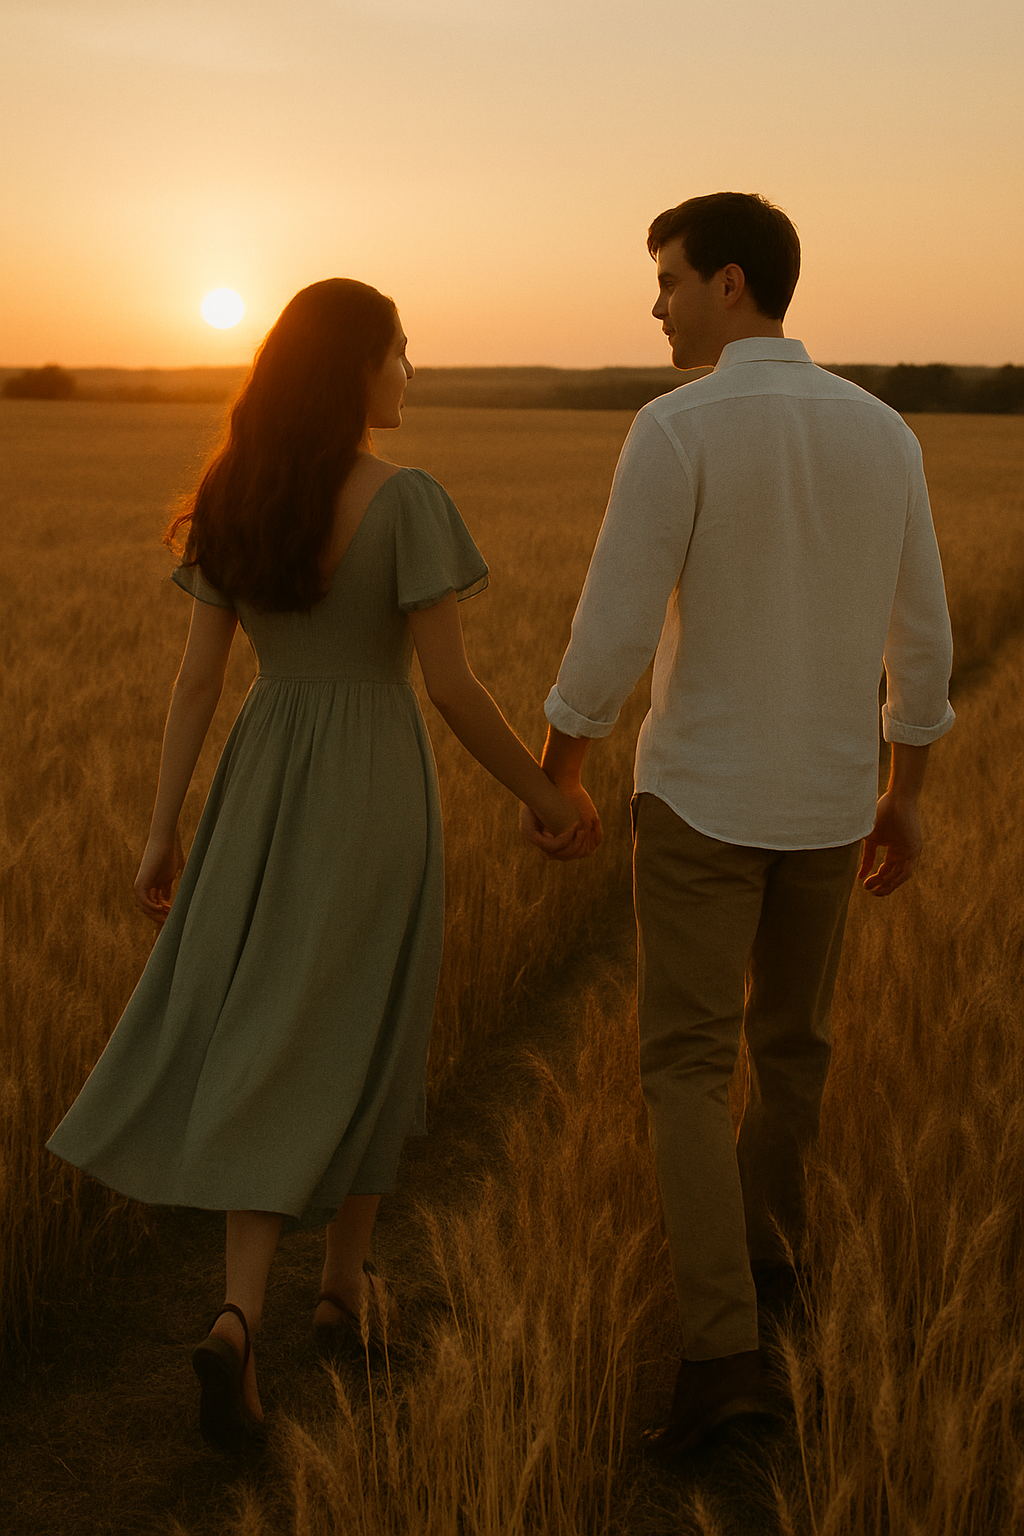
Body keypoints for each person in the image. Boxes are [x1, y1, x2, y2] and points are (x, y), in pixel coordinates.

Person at [47, 277, 597, 1455]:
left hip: (261, 775)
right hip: (373, 783)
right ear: (356, 366)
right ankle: (320, 1296)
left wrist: (160, 828)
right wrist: (547, 792)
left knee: (272, 1025)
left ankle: (262, 1307)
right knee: (373, 1018)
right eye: (399, 352)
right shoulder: (407, 500)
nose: (410, 373)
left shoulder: (238, 494)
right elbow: (451, 687)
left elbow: (198, 682)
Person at [521, 193, 954, 1455]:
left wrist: (559, 774)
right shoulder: (884, 434)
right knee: (795, 1053)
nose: (653, 305)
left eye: (666, 279)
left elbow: (610, 629)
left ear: (727, 283)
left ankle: (722, 1359)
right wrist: (905, 793)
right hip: (828, 802)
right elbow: (922, 640)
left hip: (702, 801)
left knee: (685, 1069)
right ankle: (773, 1283)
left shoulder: (677, 427)